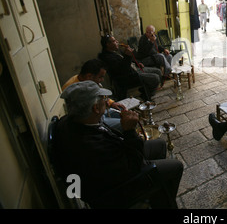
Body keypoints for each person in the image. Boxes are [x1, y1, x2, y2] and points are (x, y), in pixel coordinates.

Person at [54, 81, 183, 208]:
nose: (106, 101)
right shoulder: (90, 146)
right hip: (120, 186)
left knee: (160, 144)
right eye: (103, 99)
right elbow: (133, 165)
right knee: (176, 166)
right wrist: (129, 131)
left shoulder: (73, 120)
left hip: (118, 162)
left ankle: (159, 194)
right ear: (96, 108)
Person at [62, 58, 125, 131]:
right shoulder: (74, 89)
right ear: (89, 76)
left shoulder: (86, 81)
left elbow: (97, 96)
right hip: (93, 119)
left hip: (99, 111)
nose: (102, 80)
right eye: (100, 77)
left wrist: (111, 103)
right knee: (124, 123)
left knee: (122, 111)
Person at [98, 34, 162, 101]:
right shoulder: (107, 57)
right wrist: (127, 56)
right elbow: (123, 71)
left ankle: (146, 90)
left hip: (134, 68)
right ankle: (146, 94)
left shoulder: (115, 51)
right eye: (114, 41)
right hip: (130, 77)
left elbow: (128, 60)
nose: (117, 42)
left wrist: (137, 63)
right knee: (155, 78)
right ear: (108, 44)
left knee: (158, 71)